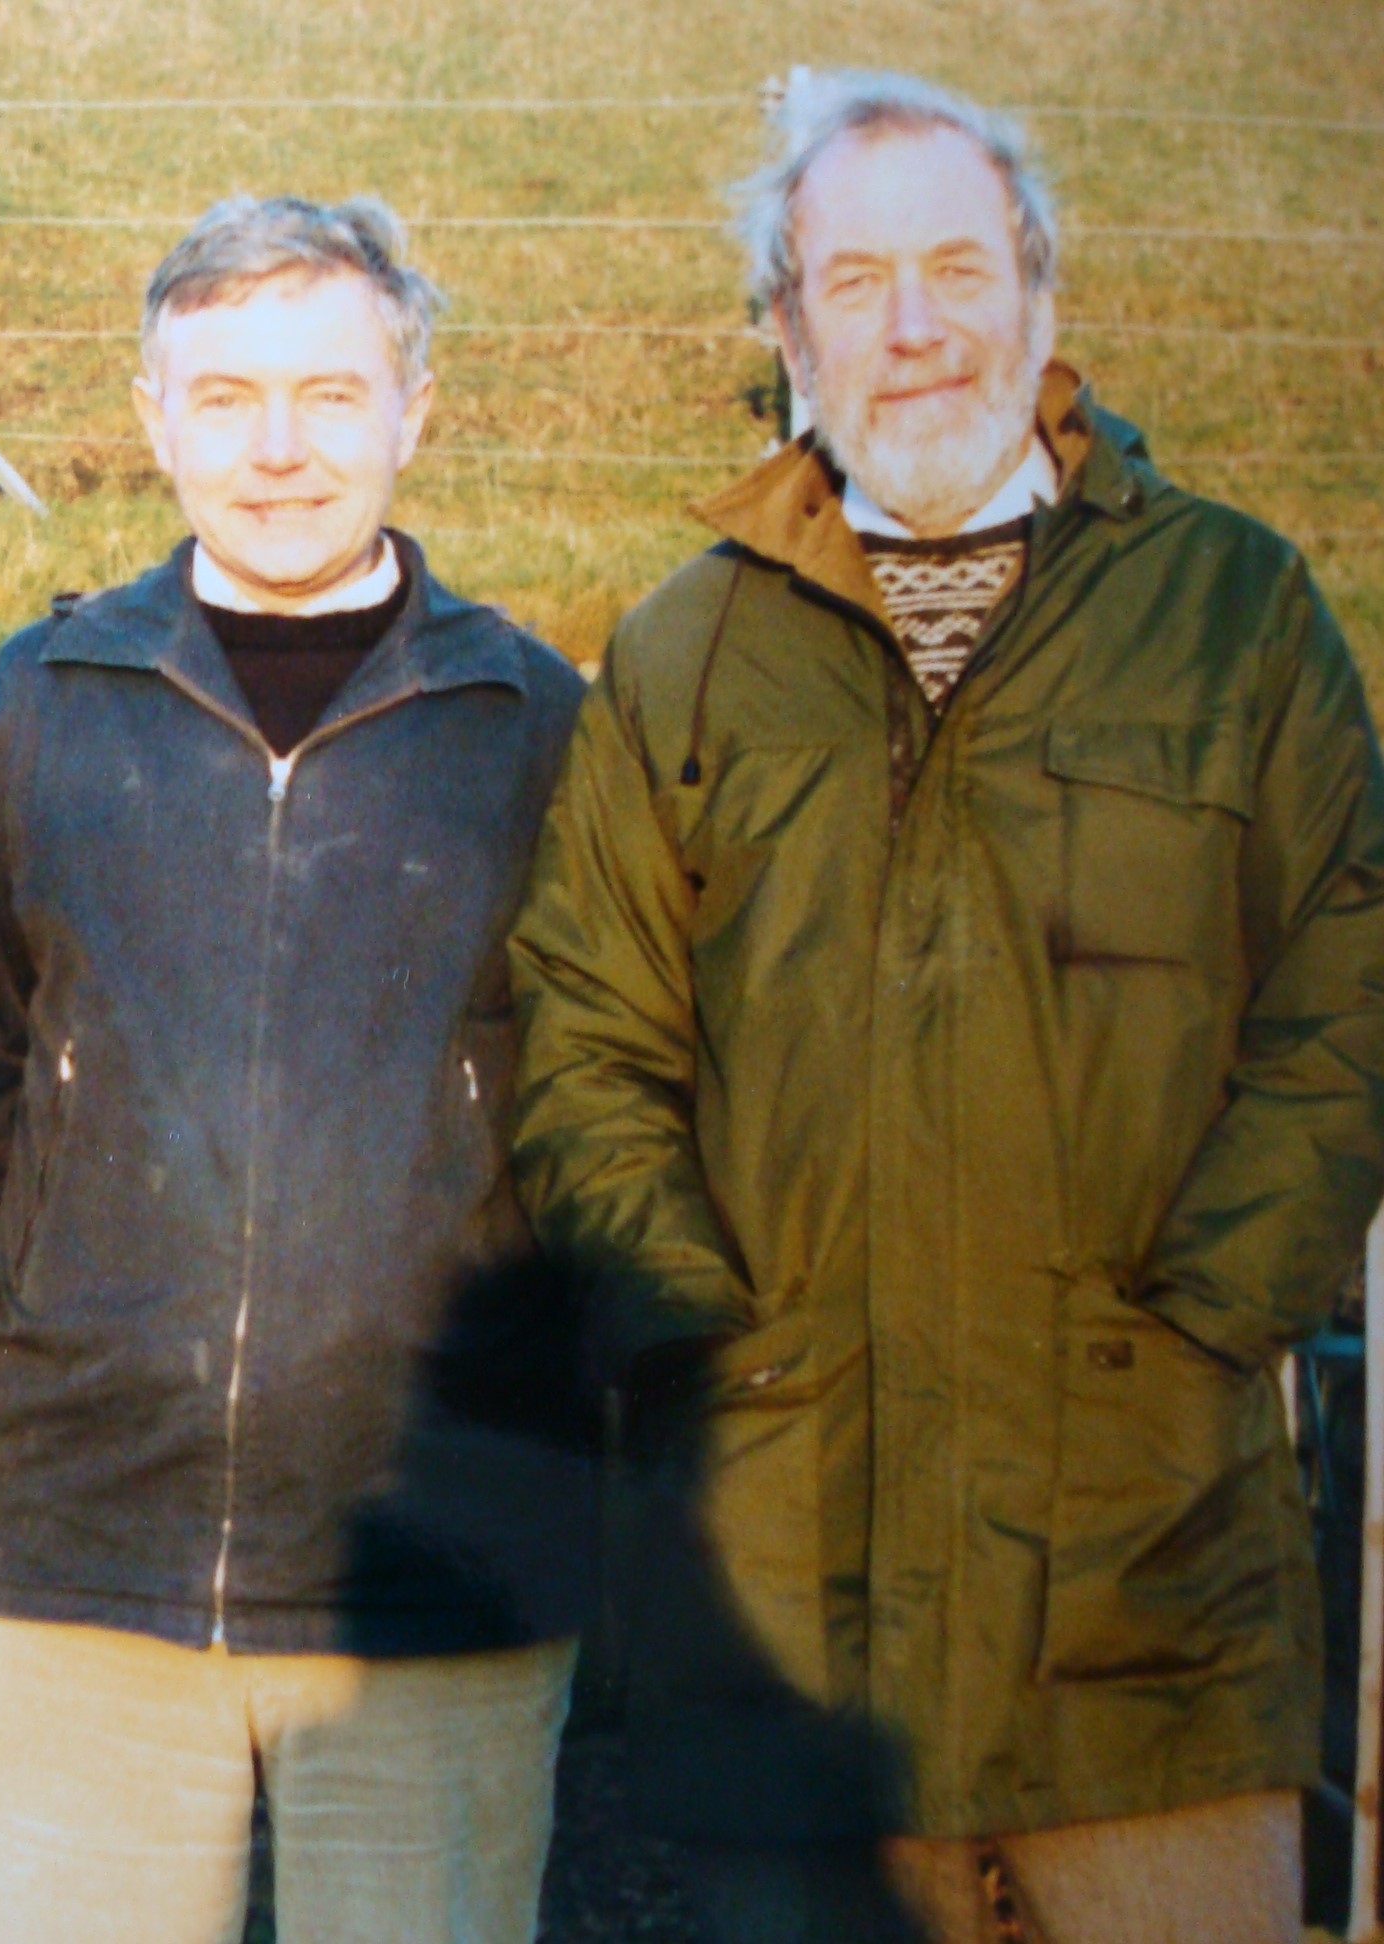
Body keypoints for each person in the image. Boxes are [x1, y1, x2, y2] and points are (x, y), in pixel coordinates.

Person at [507, 69, 1384, 1944]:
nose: (913, 329)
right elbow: (590, 1043)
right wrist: (702, 1362)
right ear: (784, 326)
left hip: (1151, 1627)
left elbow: (1347, 1001)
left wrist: (1194, 1342)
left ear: (1042, 295)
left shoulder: (1238, 615)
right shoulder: (688, 650)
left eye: (959, 269)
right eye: (855, 280)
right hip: (795, 1627)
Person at [0, 194, 589, 1944]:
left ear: (414, 410)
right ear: (152, 416)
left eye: (328, 394)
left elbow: (608, 1115)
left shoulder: (544, 733)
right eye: (223, 399)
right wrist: (77, 1289)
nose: (278, 452)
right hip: (87, 1562)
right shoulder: (28, 710)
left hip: (435, 1574)